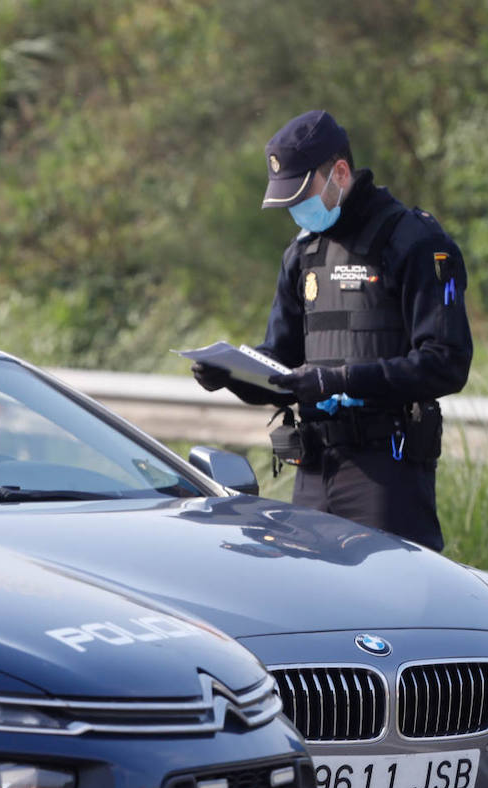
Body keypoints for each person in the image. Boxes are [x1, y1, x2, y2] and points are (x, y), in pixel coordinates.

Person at [192, 110, 472, 550]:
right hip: (313, 467)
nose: (296, 211)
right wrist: (232, 378)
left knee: (388, 607)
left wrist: (337, 380)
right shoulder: (302, 253)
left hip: (387, 473)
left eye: (302, 195)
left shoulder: (415, 242)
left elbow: (446, 363)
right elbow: (283, 366)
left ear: (340, 172)